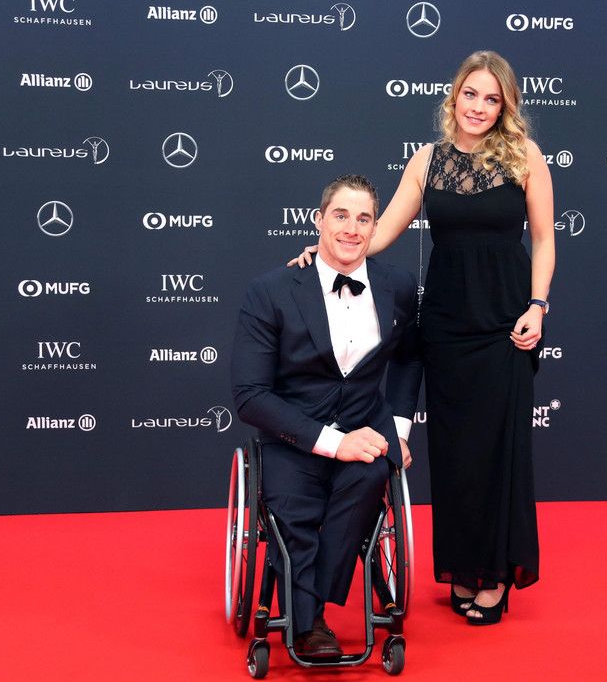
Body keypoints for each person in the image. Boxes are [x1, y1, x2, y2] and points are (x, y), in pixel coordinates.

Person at [291, 51, 555, 625]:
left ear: (505, 106)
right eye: (470, 94)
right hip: (447, 325)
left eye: (492, 99)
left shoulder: (526, 157)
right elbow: (383, 230)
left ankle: (495, 575)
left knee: (499, 451)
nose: (478, 107)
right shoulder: (427, 161)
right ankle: (462, 568)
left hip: (506, 324)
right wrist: (330, 250)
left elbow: (544, 239)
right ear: (454, 97)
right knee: (456, 454)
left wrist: (538, 305)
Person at [231, 175, 422, 657]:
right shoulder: (271, 291)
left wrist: (398, 430)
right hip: (293, 438)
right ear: (318, 221)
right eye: (340, 215)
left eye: (363, 219)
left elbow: (409, 357)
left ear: (375, 228)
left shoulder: (398, 286)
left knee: (367, 484)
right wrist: (335, 443)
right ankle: (310, 624)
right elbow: (251, 396)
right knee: (296, 513)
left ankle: (306, 607)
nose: (351, 229)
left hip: (367, 430)